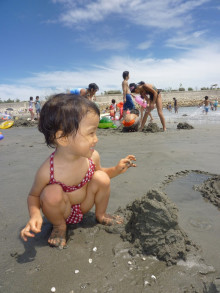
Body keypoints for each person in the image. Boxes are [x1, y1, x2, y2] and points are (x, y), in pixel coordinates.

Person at [20, 94, 136, 248]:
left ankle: (100, 214)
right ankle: (59, 227)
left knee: (101, 177)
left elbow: (102, 173)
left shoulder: (91, 157)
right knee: (51, 193)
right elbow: (33, 196)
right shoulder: (48, 170)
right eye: (91, 133)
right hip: (62, 211)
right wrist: (35, 215)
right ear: (63, 138)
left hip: (84, 205)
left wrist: (116, 169)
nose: (96, 139)